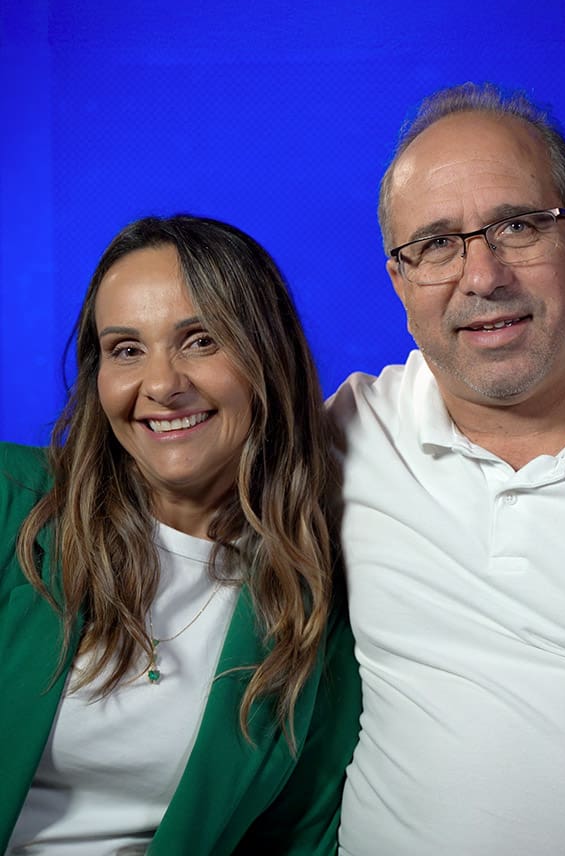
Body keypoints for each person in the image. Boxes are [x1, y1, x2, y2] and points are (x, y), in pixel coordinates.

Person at [330, 82, 565, 855]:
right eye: (435, 244)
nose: (482, 276)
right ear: (400, 285)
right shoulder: (350, 435)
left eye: (518, 226)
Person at [0, 215, 360, 855]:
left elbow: (298, 838)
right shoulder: (11, 505)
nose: (162, 386)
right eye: (126, 350)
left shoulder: (320, 597)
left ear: (265, 358)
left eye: (200, 340)